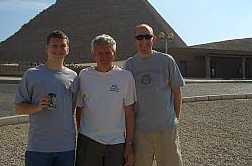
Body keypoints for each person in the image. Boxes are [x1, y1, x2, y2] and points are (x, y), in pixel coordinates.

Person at [124, 24, 184, 166]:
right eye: (140, 37)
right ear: (134, 40)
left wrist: (175, 119)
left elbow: (177, 91)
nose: (144, 41)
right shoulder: (129, 65)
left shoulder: (167, 60)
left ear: (154, 39)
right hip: (140, 131)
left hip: (166, 129)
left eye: (147, 37)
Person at [14, 30, 77, 166]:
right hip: (39, 146)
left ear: (67, 49)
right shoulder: (31, 75)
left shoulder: (74, 77)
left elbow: (72, 109)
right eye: (54, 46)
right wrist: (36, 107)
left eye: (62, 46)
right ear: (46, 48)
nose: (58, 49)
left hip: (66, 146)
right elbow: (19, 107)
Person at [75, 34, 137, 166]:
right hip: (89, 140)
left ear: (114, 54)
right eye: (100, 53)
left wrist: (129, 144)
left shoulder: (125, 77)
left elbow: (129, 113)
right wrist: (82, 134)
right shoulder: (84, 76)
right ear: (93, 55)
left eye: (108, 53)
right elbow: (79, 108)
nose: (104, 57)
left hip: (116, 143)